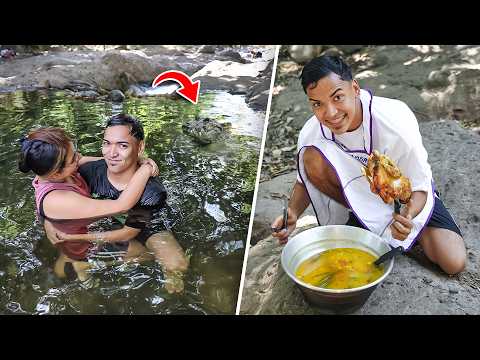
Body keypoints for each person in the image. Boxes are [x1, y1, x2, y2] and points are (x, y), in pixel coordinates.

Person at [271, 55, 466, 275]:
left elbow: (419, 183)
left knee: (453, 262)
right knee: (311, 157)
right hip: (357, 192)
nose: (330, 113)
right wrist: (293, 213)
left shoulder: (394, 121)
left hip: (405, 194)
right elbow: (304, 179)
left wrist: (408, 216)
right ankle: (365, 218)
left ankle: (402, 232)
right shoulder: (311, 132)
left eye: (337, 97)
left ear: (355, 88)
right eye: (317, 104)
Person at [45, 114, 189, 293]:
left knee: (177, 264)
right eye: (106, 143)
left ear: (140, 146)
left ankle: (125, 258)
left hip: (146, 224)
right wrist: (49, 221)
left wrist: (74, 238)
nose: (111, 154)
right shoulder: (89, 171)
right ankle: (85, 260)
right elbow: (50, 176)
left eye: (122, 145)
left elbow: (129, 232)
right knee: (68, 257)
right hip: (110, 219)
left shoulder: (151, 191)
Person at [19, 126, 158, 282]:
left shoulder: (56, 171)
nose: (79, 157)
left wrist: (134, 160)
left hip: (74, 229)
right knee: (145, 254)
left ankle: (68, 258)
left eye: (75, 151)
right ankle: (83, 264)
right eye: (73, 158)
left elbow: (93, 161)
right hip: (83, 246)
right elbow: (121, 205)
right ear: (56, 173)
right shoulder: (58, 199)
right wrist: (145, 170)